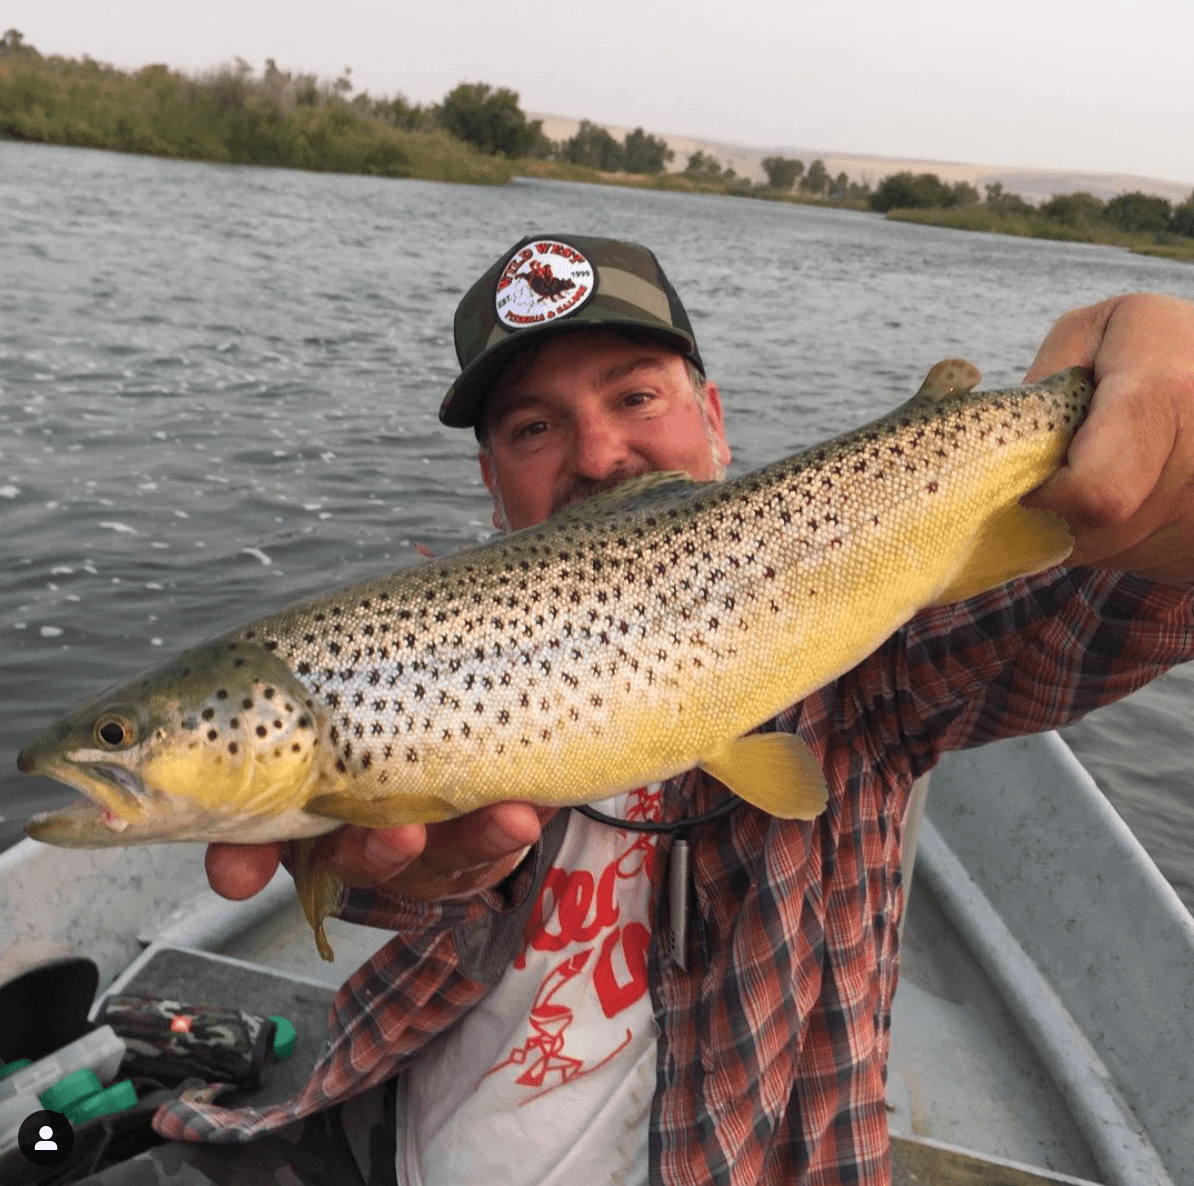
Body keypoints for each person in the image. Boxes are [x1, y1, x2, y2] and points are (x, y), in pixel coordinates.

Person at [97, 236, 1194, 1184]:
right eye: (534, 428)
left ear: (714, 422)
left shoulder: (877, 664)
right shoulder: (428, 653)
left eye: (635, 397)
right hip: (374, 1142)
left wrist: (1172, 503)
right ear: (492, 482)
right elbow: (410, 889)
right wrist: (424, 879)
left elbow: (1111, 613)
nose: (598, 452)